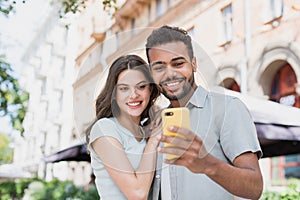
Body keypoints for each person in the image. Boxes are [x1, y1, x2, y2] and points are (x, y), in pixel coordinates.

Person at [145, 25, 263, 200]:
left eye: (178, 64)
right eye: (159, 67)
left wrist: (208, 164)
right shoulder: (156, 123)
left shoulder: (227, 108)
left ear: (193, 63)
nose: (169, 74)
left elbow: (255, 188)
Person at [86, 54, 161, 200]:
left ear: (150, 90)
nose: (133, 95)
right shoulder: (105, 128)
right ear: (114, 94)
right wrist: (153, 141)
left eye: (141, 86)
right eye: (124, 88)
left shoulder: (146, 130)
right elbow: (138, 194)